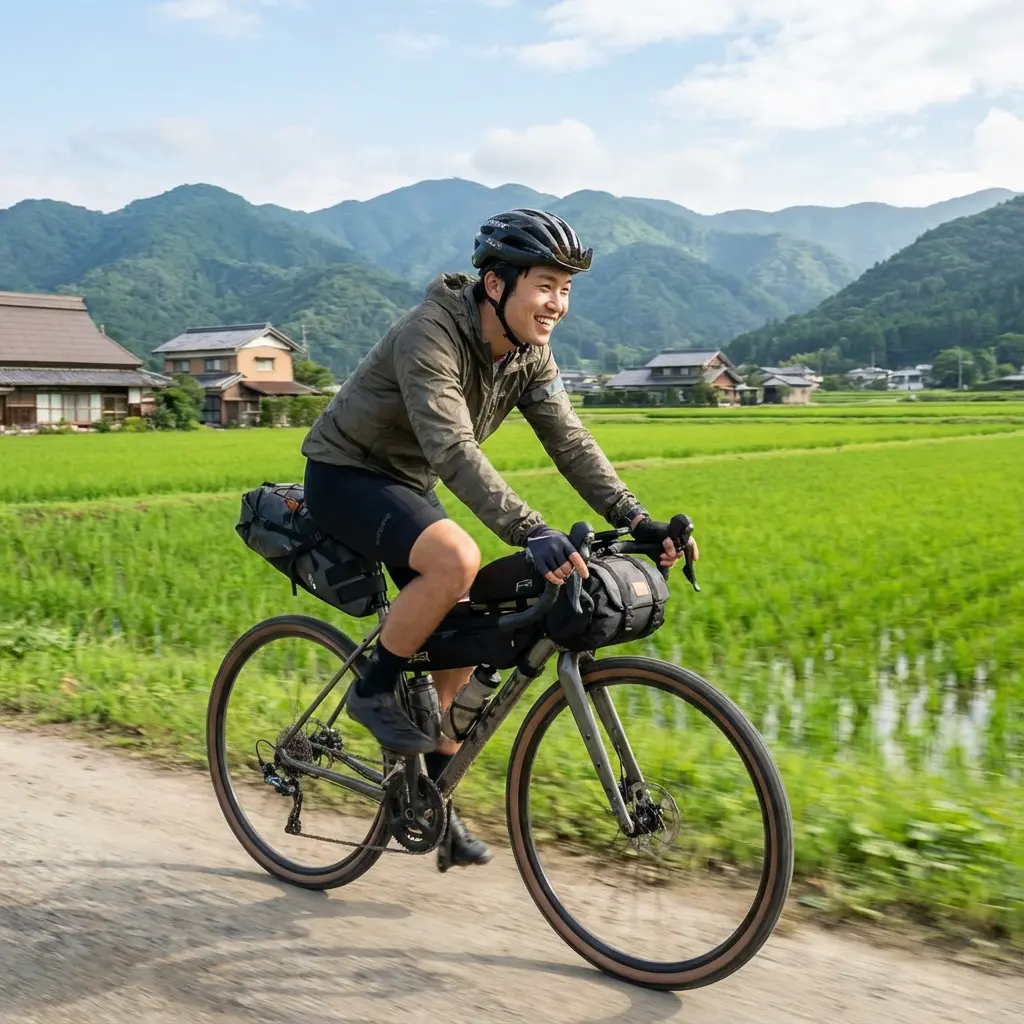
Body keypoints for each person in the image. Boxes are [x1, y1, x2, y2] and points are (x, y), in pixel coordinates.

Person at [300, 209, 697, 869]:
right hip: (346, 474)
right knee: (457, 559)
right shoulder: (429, 333)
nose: (557, 304)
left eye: (565, 289)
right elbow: (452, 447)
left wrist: (637, 519)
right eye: (545, 285)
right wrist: (531, 529)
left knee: (466, 629)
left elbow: (571, 442)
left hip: (408, 484)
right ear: (495, 284)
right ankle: (372, 689)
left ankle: (427, 799)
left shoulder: (531, 355)